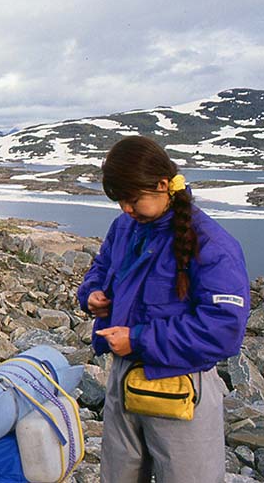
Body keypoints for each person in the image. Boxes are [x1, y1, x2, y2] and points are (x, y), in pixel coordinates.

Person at [77, 135, 250, 483]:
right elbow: (101, 266)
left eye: (132, 199)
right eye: (119, 201)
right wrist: (92, 293)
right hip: (123, 380)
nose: (125, 209)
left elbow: (223, 329)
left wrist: (138, 340)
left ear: (161, 185)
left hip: (181, 389)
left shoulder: (213, 244)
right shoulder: (126, 226)